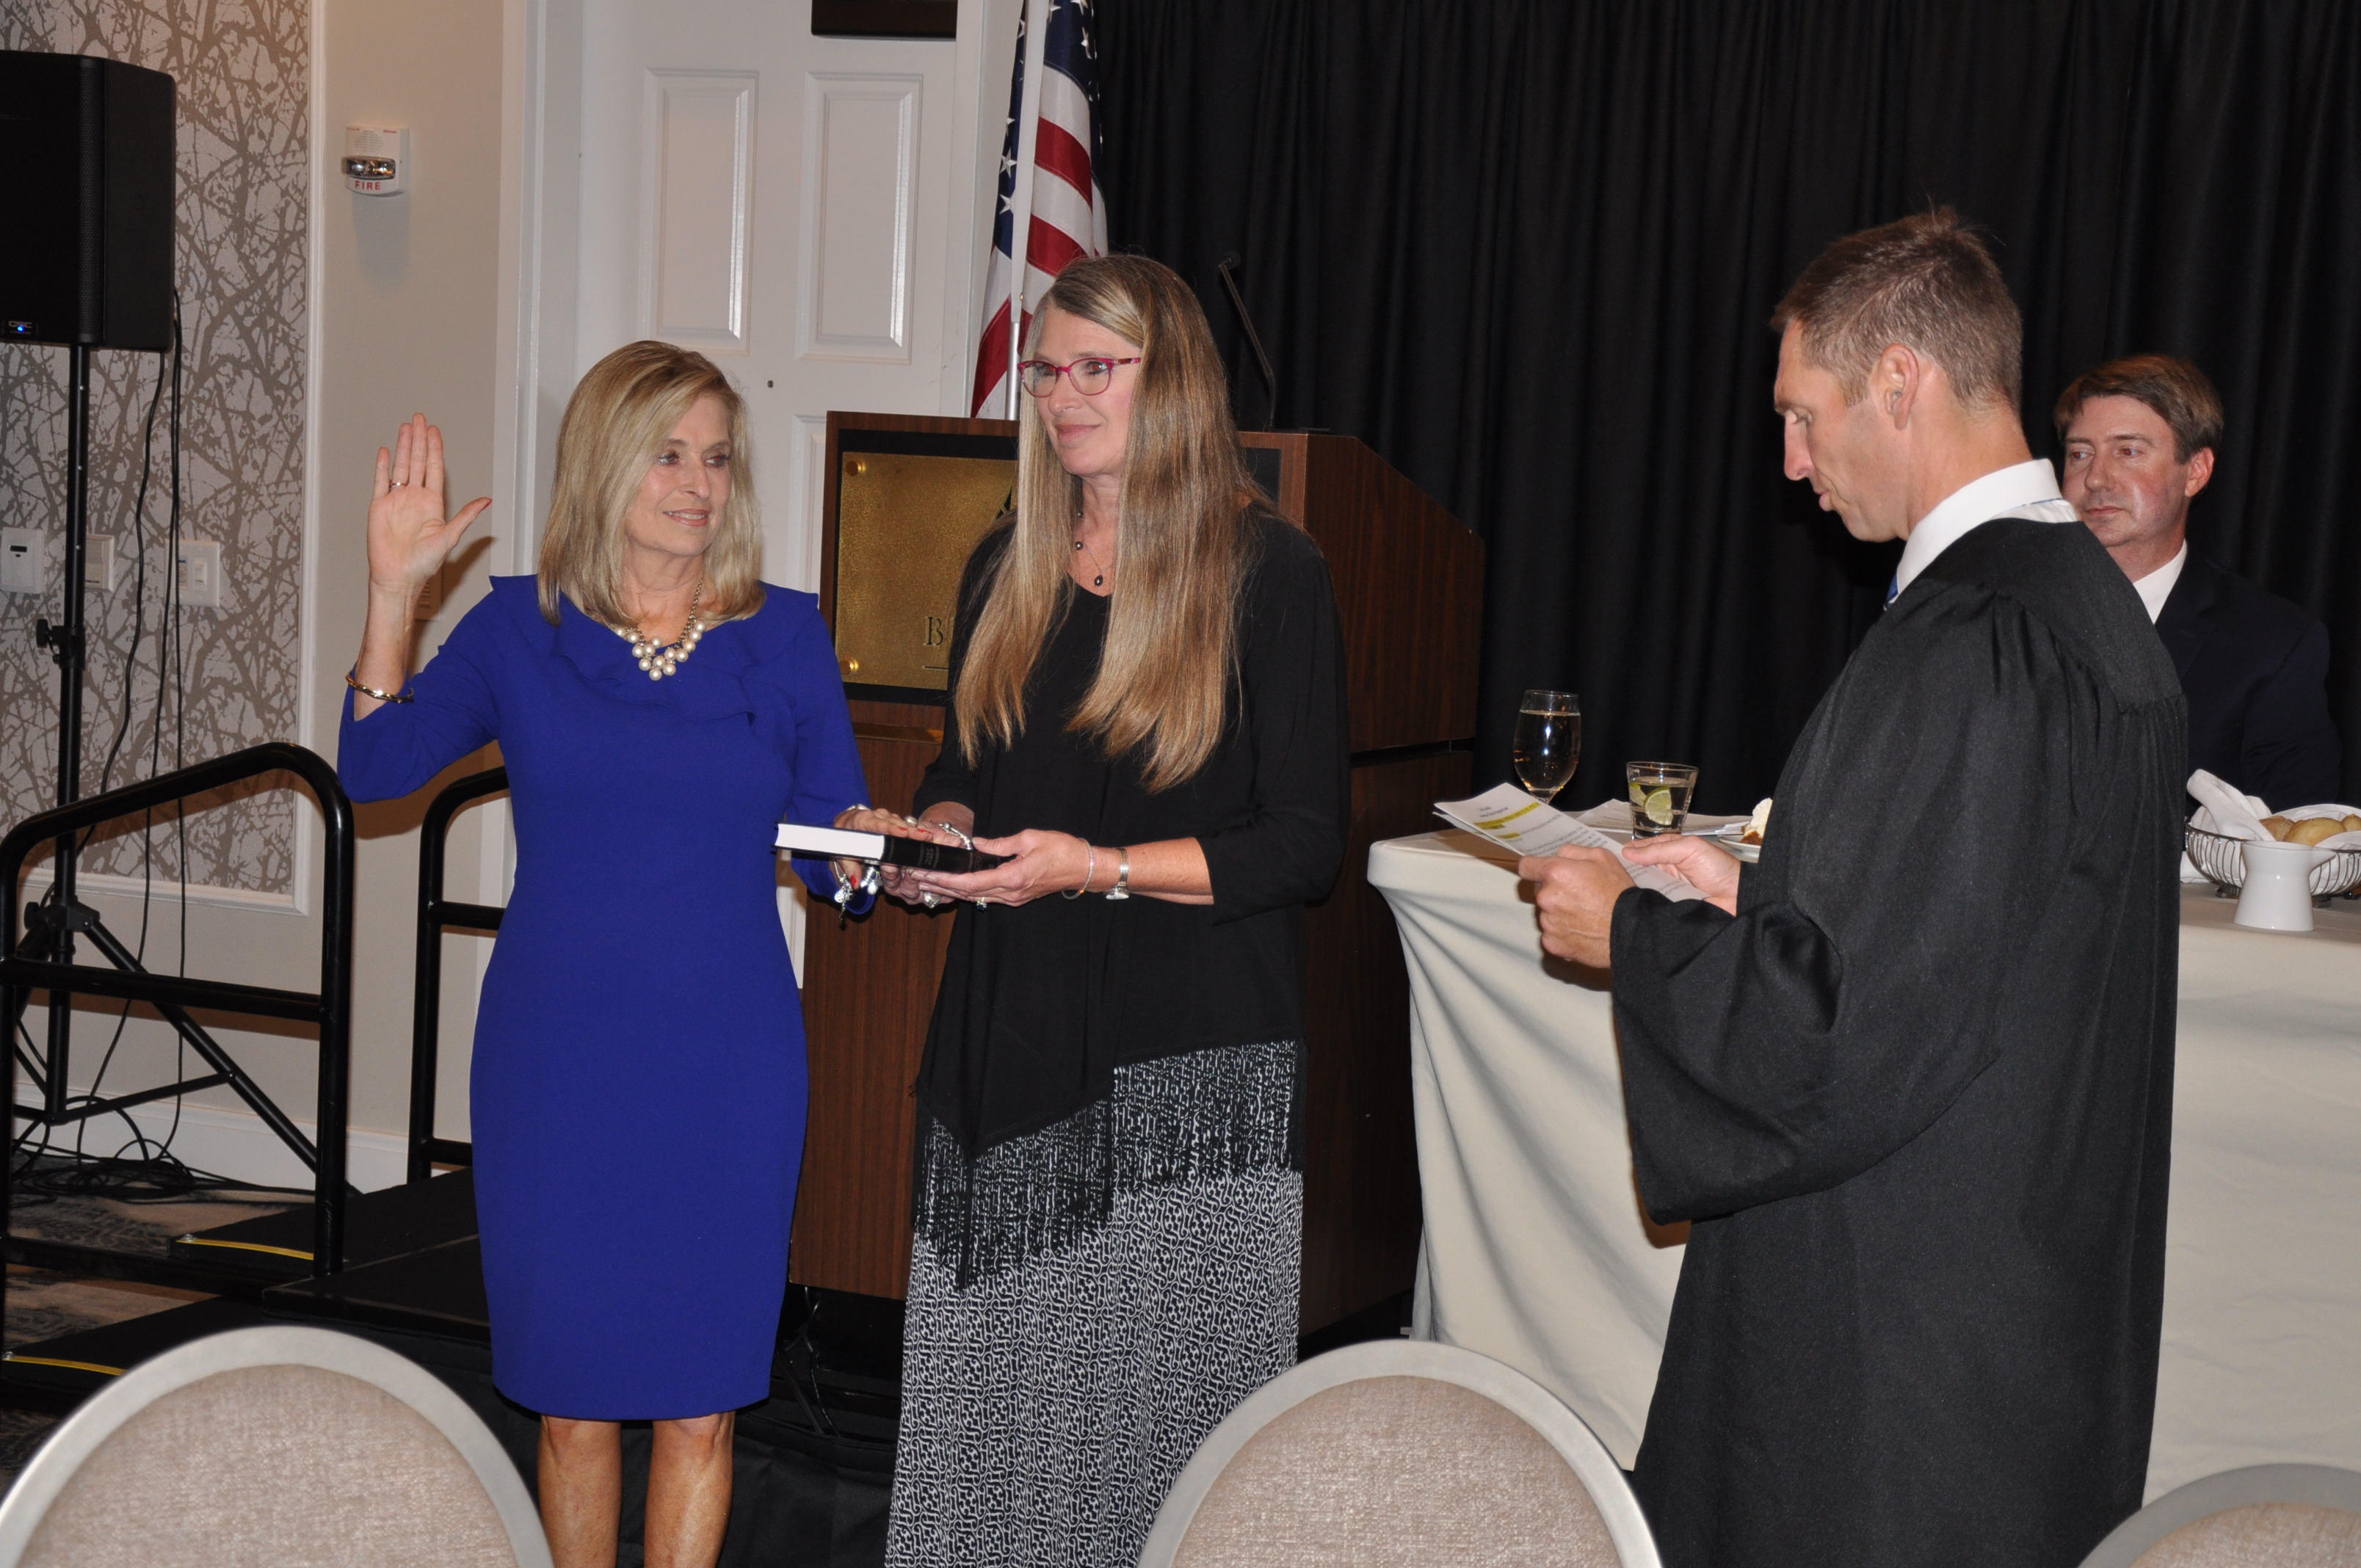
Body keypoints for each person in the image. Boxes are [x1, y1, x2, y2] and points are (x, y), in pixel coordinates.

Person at [1520, 211, 2183, 1568]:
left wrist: (1632, 936)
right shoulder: (2076, 609)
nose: (1791, 462)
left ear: (1900, 380)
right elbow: (1967, 958)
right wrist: (1746, 905)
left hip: (1900, 1346)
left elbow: (1843, 1037)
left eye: (1802, 414)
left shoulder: (1979, 636)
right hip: (2011, 1293)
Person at [336, 341, 876, 1568]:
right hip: (559, 1065)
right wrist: (391, 595)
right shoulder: (517, 630)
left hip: (727, 1066)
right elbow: (373, 771)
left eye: (717, 458)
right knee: (573, 1409)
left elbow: (839, 860)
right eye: (670, 454)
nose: (699, 483)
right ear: (605, 462)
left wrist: (866, 848)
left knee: (698, 1405)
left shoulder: (785, 638)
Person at [850, 253, 1349, 1567]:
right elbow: (966, 770)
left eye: (1096, 369)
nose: (1063, 397)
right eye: (1047, 370)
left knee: (1156, 1452)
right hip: (1007, 1050)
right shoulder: (1003, 564)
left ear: (1169, 381)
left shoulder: (1270, 576)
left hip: (1186, 1073)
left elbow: (1303, 843)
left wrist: (1102, 865)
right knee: (995, 1437)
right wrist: (931, 837)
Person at [2058, 353, 2340, 807]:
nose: (2095, 478)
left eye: (2128, 451)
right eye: (2079, 453)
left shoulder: (2274, 645)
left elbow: (2293, 847)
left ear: (2196, 471)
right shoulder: (2006, 613)